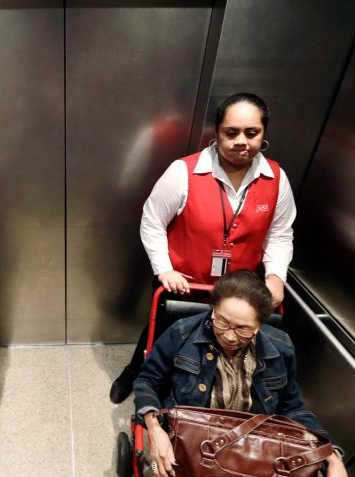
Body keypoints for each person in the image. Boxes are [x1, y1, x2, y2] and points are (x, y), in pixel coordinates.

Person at [110, 92, 296, 403]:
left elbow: (280, 233)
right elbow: (152, 221)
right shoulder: (184, 172)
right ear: (217, 132)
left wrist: (276, 275)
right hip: (182, 281)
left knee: (222, 342)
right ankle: (135, 374)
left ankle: (195, 399)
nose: (241, 141)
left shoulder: (276, 178)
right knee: (163, 336)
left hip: (238, 289)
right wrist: (164, 269)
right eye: (231, 132)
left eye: (252, 133)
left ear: (263, 133)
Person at [133, 271, 347, 477]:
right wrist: (153, 427)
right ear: (214, 309)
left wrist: (331, 455)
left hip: (251, 450)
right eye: (223, 322)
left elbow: (291, 406)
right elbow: (147, 380)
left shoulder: (280, 347)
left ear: (260, 325)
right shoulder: (181, 334)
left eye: (243, 328)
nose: (230, 336)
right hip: (190, 440)